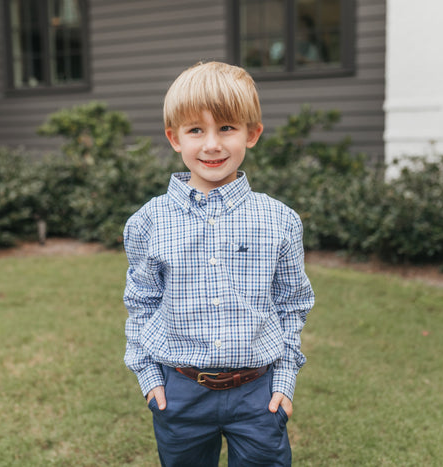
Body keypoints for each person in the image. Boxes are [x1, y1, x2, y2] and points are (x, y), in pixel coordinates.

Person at [123, 61, 315, 467]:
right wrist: (150, 379)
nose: (212, 144)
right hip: (180, 391)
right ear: (174, 138)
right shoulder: (148, 222)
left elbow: (291, 304)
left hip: (257, 392)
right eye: (196, 130)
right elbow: (141, 304)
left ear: (253, 132)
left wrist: (283, 380)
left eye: (226, 127)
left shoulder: (280, 220)